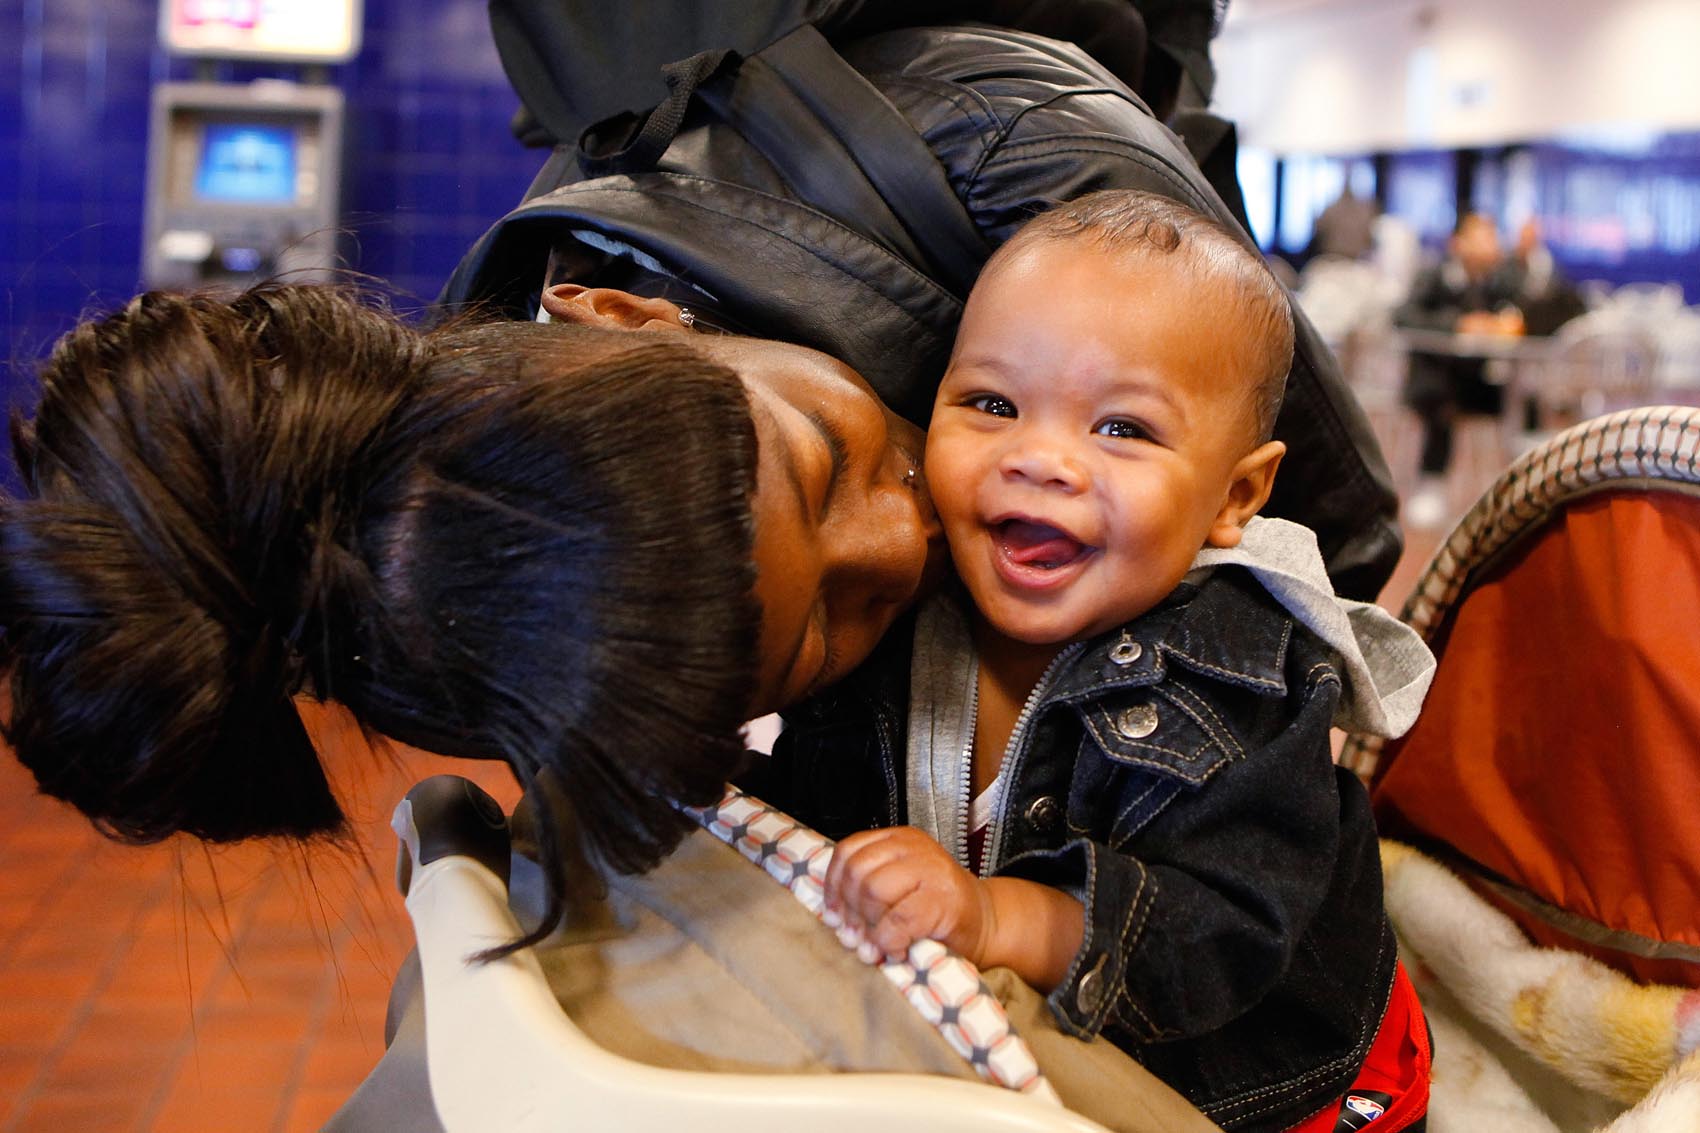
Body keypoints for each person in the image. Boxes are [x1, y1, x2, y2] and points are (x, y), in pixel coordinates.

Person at [742, 192, 1437, 1132]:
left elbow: (1225, 931)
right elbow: (813, 805)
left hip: (1262, 1084)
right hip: (981, 1050)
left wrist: (998, 920)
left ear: (1235, 494)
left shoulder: (1247, 683)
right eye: (992, 403)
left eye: (1123, 428)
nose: (1039, 456)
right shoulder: (903, 607)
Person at [1394, 212, 1525, 528]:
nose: (1489, 246)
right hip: (1434, 382)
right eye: (1481, 238)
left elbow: (1525, 310)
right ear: (1458, 243)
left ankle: (1511, 487)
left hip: (1480, 382)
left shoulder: (1498, 282)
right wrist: (1457, 325)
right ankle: (1432, 484)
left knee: (1519, 398)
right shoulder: (1434, 277)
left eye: (1493, 238)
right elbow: (1403, 316)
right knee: (1441, 399)